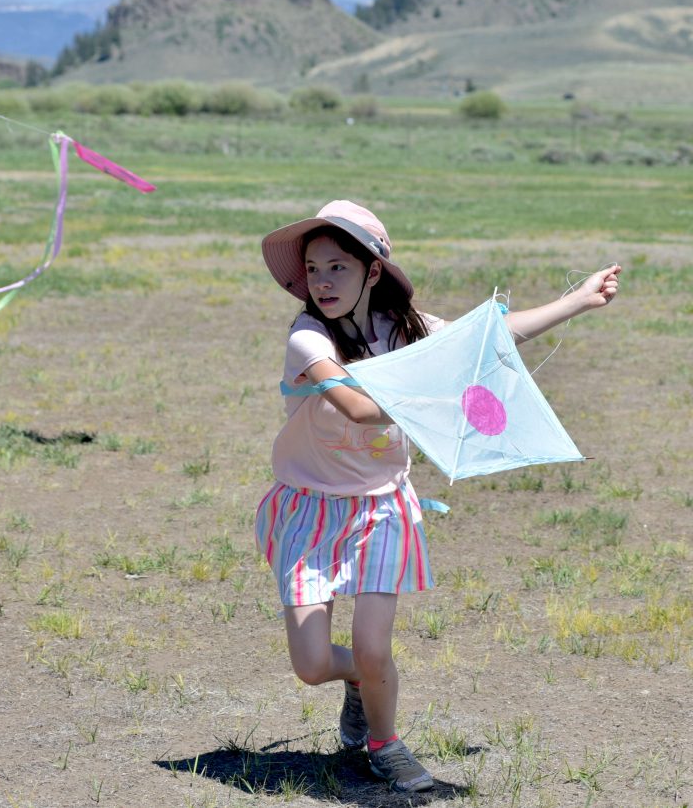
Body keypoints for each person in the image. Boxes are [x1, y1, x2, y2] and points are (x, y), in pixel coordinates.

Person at [256, 200, 620, 792]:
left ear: (373, 271)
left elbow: (491, 339)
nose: (322, 281)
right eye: (314, 269)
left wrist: (578, 300)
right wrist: (441, 392)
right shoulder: (308, 337)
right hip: (310, 508)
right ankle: (357, 682)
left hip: (381, 507)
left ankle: (385, 744)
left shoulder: (407, 330)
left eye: (338, 267)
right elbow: (360, 409)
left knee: (374, 647)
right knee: (313, 665)